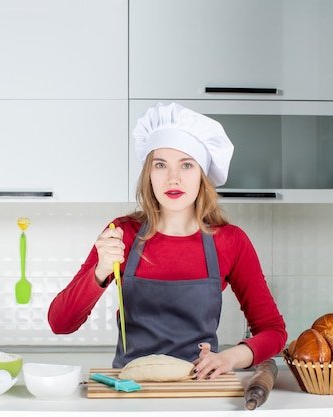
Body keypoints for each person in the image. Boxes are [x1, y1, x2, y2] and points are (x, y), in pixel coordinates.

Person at [48, 102, 287, 380]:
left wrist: (229, 358)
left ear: (202, 176)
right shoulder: (121, 233)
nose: (173, 178)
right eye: (161, 165)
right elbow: (60, 323)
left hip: (200, 387)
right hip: (130, 390)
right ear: (149, 175)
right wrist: (100, 270)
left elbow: (273, 330)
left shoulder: (230, 241)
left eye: (186, 165)